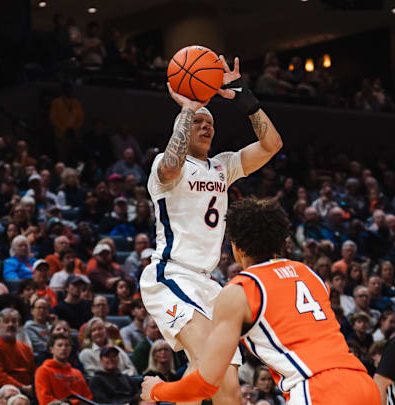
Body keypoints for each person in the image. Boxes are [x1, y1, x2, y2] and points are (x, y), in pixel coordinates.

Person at [140, 55, 283, 405]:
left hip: (209, 284)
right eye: (199, 122)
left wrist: (244, 97)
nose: (207, 127)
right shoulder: (166, 164)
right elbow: (172, 165)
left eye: (210, 123)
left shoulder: (223, 166)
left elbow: (272, 146)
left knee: (227, 388)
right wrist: (189, 108)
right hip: (171, 275)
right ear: (183, 128)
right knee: (208, 367)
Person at [141, 198, 378, 405]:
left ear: (237, 247)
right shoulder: (310, 274)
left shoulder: (239, 291)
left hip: (317, 389)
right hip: (363, 382)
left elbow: (208, 383)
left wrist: (157, 390)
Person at [0, 308, 36, 397]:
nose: (11, 324)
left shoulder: (26, 348)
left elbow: (33, 373)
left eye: (14, 321)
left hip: (28, 390)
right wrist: (22, 387)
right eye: (6, 321)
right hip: (5, 392)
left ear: (18, 325)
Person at [34, 333, 92, 405]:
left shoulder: (77, 373)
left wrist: (70, 403)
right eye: (59, 345)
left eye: (67, 345)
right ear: (51, 349)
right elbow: (44, 399)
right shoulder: (43, 371)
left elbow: (88, 398)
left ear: (70, 349)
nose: (63, 348)